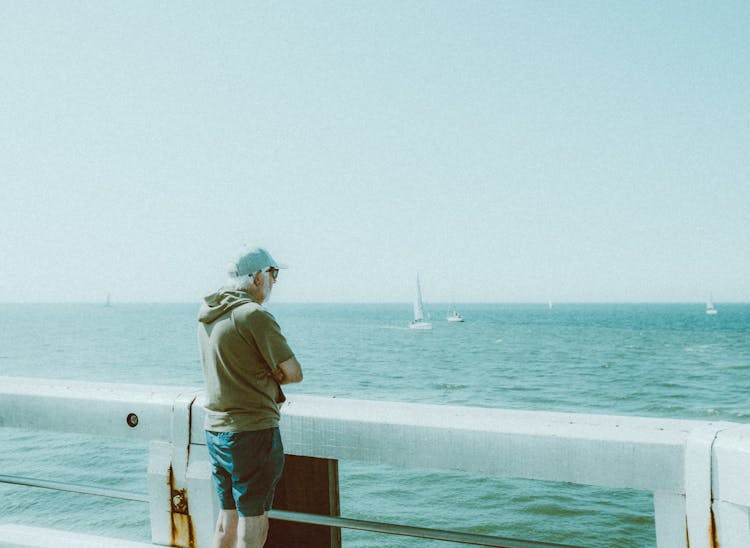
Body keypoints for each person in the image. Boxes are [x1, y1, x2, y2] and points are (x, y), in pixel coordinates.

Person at [198, 247, 303, 548]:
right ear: (258, 277)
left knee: (226, 518)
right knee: (253, 521)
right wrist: (271, 373)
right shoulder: (253, 315)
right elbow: (293, 372)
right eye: (273, 274)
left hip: (216, 430)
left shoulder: (209, 314)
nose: (274, 282)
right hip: (252, 431)